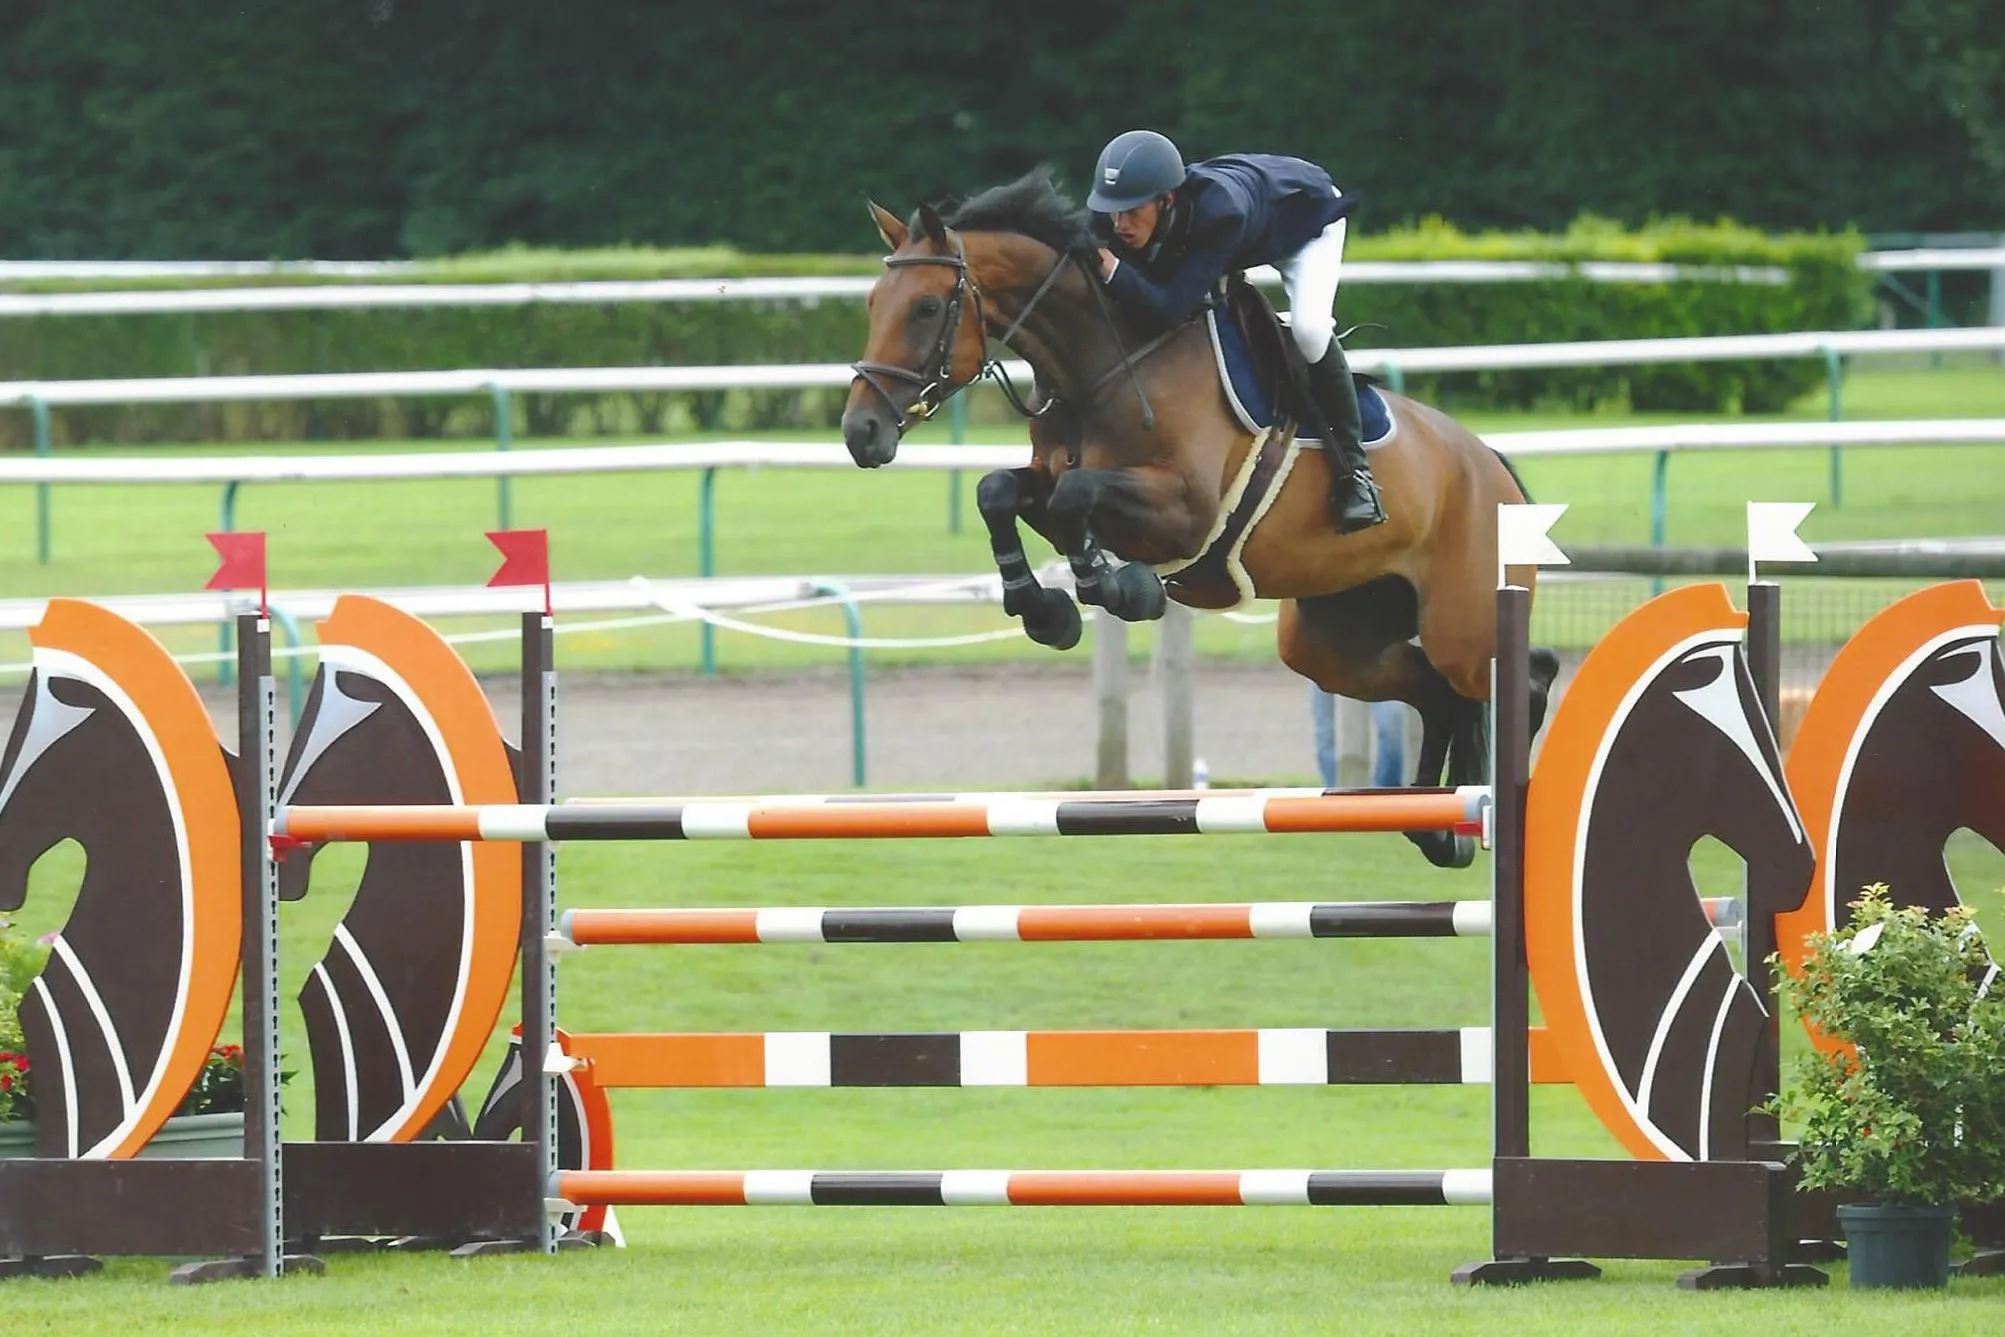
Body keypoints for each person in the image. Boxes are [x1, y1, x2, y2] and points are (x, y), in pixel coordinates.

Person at [1086, 128, 1384, 533]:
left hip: (1304, 220)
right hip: (1252, 214)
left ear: (1167, 199)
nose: (1119, 224)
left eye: (1132, 211)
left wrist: (1112, 268)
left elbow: (1166, 310)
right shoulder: (1113, 212)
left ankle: (1356, 474)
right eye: (1112, 211)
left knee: (1310, 329)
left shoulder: (1221, 214)